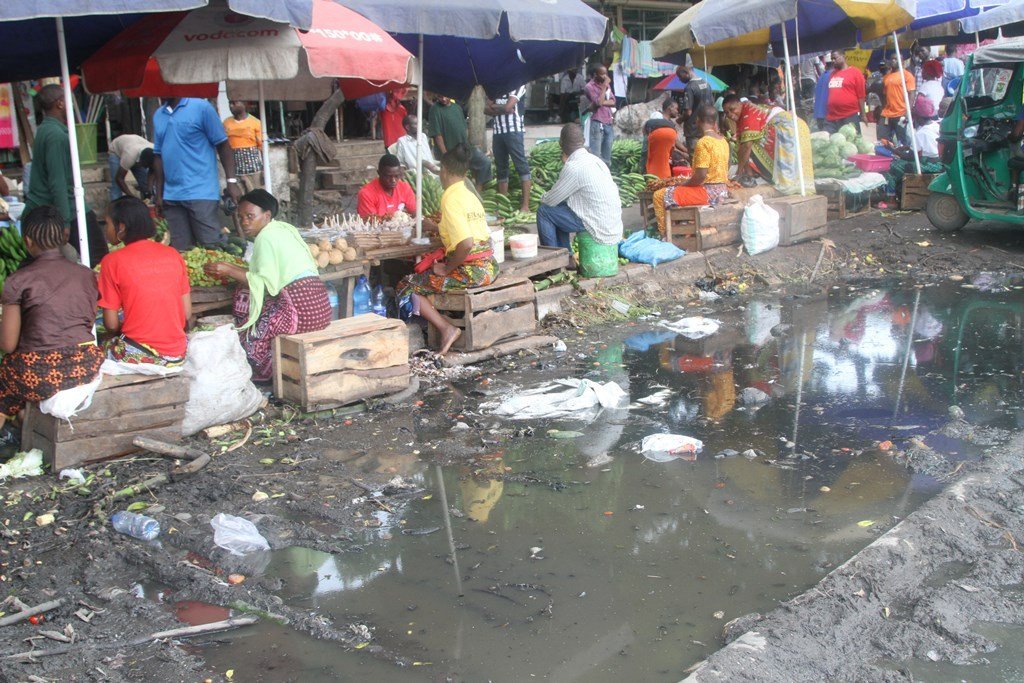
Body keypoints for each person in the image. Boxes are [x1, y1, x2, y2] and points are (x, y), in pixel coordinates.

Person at [204, 190, 331, 382]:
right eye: (241, 217)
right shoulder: (283, 228)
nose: (244, 222)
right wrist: (230, 267)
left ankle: (268, 377)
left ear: (267, 215)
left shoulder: (266, 238)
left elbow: (263, 283)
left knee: (250, 337)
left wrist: (229, 271)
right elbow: (266, 275)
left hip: (301, 312)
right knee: (247, 294)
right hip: (320, 306)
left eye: (250, 216)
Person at [0, 206, 104, 434]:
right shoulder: (86, 274)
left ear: (27, 241)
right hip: (85, 366)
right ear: (65, 236)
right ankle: (24, 419)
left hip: (38, 373)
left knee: (6, 376)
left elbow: (7, 345)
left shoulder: (17, 280)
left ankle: (14, 424)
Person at [396, 144, 499, 355]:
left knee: (407, 285)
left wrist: (446, 268)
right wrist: (435, 227)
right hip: (489, 267)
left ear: (443, 170)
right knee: (426, 279)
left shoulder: (450, 198)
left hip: (473, 271)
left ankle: (445, 328)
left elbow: (466, 243)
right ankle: (442, 323)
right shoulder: (469, 195)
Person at [98, 197, 190, 366]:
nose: (106, 229)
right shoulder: (173, 254)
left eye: (108, 223)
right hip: (178, 353)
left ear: (122, 227)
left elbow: (110, 325)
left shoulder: (112, 261)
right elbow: (186, 314)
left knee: (97, 350)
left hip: (140, 355)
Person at [22, 84, 107, 267]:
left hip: (58, 207)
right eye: (68, 101)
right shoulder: (55, 135)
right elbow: (57, 181)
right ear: (60, 103)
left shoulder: (47, 130)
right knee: (98, 256)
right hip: (66, 208)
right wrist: (65, 222)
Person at [152, 97, 241, 251]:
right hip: (172, 195)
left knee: (211, 246)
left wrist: (231, 182)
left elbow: (223, 145)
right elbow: (158, 156)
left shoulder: (202, 108)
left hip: (201, 192)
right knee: (181, 251)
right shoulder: (159, 115)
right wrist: (159, 193)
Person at [536, 123, 623, 250]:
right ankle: (567, 257)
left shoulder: (574, 167)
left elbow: (550, 200)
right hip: (612, 223)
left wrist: (542, 197)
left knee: (544, 211)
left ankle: (552, 259)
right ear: (583, 141)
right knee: (557, 210)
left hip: (598, 226)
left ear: (561, 144)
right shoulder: (596, 160)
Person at [723, 94, 815, 195]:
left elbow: (746, 146)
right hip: (797, 125)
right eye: (727, 112)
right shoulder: (746, 110)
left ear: (740, 104)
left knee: (751, 144)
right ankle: (795, 186)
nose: (730, 114)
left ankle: (782, 184)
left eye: (732, 109)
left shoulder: (747, 113)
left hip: (788, 127)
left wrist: (738, 173)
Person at [671, 106, 730, 207]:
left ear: (698, 120)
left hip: (707, 193)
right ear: (715, 122)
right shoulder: (723, 141)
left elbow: (701, 176)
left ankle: (668, 223)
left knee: (661, 195)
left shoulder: (703, 142)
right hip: (722, 191)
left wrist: (684, 184)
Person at [485, 87, 532, 214]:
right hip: (498, 132)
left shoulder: (519, 85)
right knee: (501, 168)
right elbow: (486, 109)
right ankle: (503, 205)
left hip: (514, 131)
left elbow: (507, 107)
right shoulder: (496, 87)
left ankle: (525, 206)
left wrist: (496, 107)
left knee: (521, 166)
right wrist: (505, 109)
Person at [356, 154, 417, 220]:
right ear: (379, 173)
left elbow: (414, 212)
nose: (393, 180)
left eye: (396, 176)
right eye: (388, 176)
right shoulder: (366, 194)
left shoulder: (405, 188)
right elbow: (370, 222)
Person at [223, 100, 263, 192]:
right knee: (240, 199)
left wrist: (264, 170)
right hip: (235, 169)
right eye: (230, 103)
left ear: (244, 104)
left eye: (234, 103)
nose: (231, 105)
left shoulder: (255, 122)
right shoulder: (226, 123)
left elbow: (262, 148)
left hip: (254, 170)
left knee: (256, 197)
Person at [824, 50, 866, 135]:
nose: (833, 61)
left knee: (851, 142)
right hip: (832, 117)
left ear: (843, 56)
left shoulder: (855, 72)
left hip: (849, 116)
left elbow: (861, 96)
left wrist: (863, 114)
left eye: (835, 58)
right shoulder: (832, 74)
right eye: (831, 59)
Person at [879, 56, 916, 146]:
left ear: (902, 61)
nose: (893, 61)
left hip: (901, 113)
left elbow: (912, 94)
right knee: (883, 140)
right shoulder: (886, 77)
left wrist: (908, 111)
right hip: (887, 114)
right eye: (892, 59)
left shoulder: (907, 76)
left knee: (902, 141)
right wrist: (884, 107)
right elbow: (884, 94)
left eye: (896, 59)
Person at [677, 64, 715, 152]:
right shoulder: (707, 84)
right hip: (707, 128)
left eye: (680, 76)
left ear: (686, 72)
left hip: (693, 130)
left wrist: (680, 119)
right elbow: (712, 106)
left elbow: (688, 112)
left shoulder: (689, 87)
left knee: (695, 158)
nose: (680, 79)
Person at [645, 100, 687, 179]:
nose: (677, 112)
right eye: (676, 109)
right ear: (670, 108)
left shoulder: (669, 123)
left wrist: (685, 150)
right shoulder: (657, 118)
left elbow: (674, 141)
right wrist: (683, 153)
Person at [584, 65, 616, 167]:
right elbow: (598, 103)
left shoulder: (606, 85)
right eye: (602, 74)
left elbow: (613, 101)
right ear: (595, 75)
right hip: (597, 122)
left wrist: (602, 102)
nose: (605, 76)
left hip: (608, 122)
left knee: (607, 156)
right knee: (596, 156)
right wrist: (604, 87)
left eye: (606, 73)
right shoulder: (589, 87)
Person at [107, 133, 155, 201]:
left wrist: (150, 190)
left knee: (145, 182)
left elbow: (152, 170)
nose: (145, 167)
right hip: (116, 151)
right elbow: (119, 178)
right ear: (140, 162)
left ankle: (146, 203)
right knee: (116, 187)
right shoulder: (130, 156)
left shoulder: (155, 151)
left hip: (134, 144)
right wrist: (131, 196)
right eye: (144, 166)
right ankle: (116, 207)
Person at [813, 57, 833, 131]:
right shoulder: (832, 76)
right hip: (827, 114)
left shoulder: (822, 76)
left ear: (826, 66)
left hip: (818, 113)